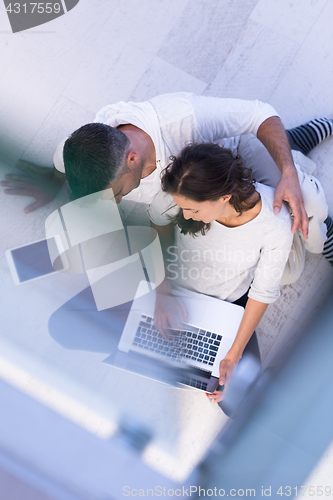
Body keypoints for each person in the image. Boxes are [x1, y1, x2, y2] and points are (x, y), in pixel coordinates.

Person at [1, 93, 332, 260]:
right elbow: (61, 164)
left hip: (230, 159)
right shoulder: (73, 152)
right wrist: (53, 182)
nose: (113, 202)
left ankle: (293, 151)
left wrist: (287, 173)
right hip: (200, 195)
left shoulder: (184, 118)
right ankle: (292, 143)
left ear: (132, 159)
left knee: (296, 203)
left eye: (115, 194)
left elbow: (261, 113)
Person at [147, 142, 329, 405]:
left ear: (223, 197)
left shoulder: (273, 224)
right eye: (182, 208)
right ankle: (287, 151)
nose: (184, 214)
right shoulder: (180, 193)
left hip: (229, 300)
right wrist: (162, 293)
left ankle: (295, 164)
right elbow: (157, 222)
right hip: (178, 296)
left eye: (193, 210)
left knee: (237, 401)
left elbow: (263, 291)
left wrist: (233, 355)